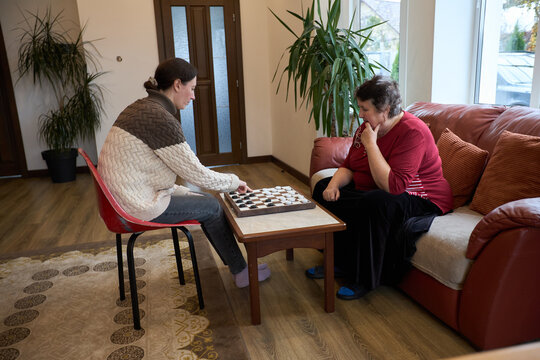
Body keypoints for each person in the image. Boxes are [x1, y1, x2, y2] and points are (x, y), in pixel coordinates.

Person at [98, 57, 270, 288]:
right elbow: (196, 174)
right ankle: (241, 272)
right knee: (212, 207)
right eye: (192, 89)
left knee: (205, 201)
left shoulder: (142, 106)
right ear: (177, 85)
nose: (193, 96)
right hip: (135, 203)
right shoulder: (159, 118)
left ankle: (238, 267)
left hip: (121, 198)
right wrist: (233, 181)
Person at [306, 75, 452, 300]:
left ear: (385, 110)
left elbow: (394, 186)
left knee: (375, 203)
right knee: (323, 190)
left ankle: (364, 278)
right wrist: (333, 185)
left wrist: (371, 145)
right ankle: (341, 262)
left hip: (420, 195)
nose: (360, 114)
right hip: (378, 188)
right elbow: (348, 166)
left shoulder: (413, 132)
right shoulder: (366, 128)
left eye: (365, 109)